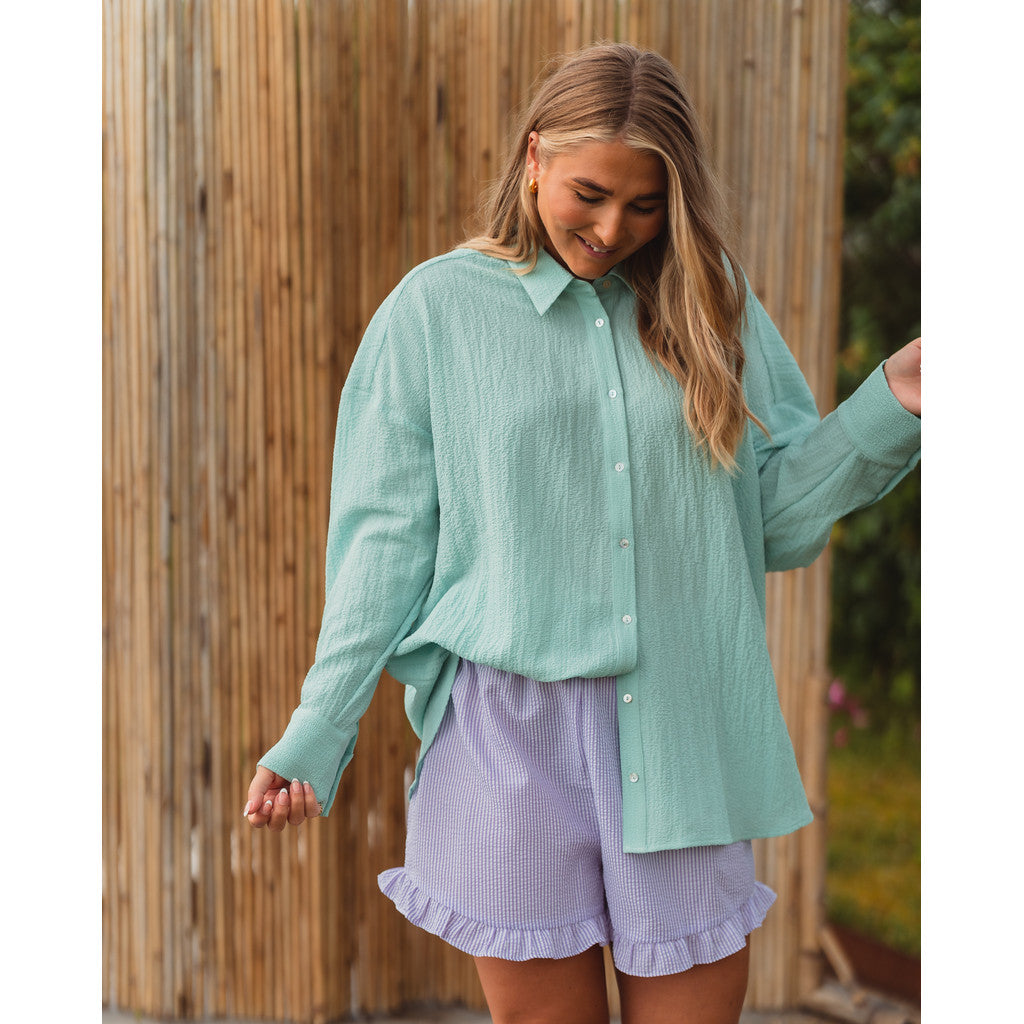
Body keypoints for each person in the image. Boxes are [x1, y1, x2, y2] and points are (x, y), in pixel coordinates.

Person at [243, 43, 921, 1024]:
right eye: (590, 194)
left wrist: (889, 405)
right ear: (534, 158)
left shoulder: (712, 297)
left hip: (681, 729)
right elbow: (382, 546)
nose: (611, 230)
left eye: (645, 205)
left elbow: (768, 521)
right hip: (508, 741)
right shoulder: (433, 313)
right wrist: (320, 725)